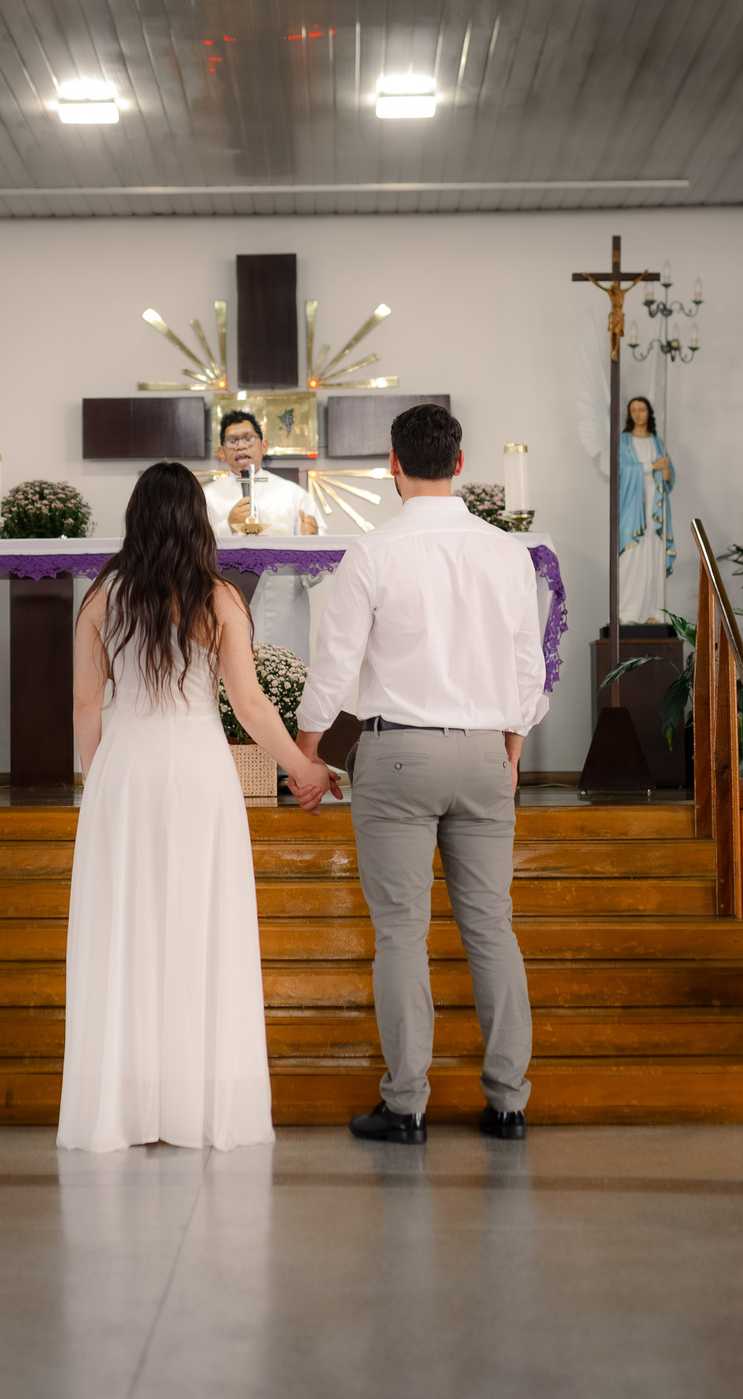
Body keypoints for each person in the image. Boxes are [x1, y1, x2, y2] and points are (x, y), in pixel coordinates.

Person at [58, 460, 334, 1152]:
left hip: (126, 770)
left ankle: (125, 1105)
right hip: (200, 774)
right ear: (197, 521)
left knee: (127, 930)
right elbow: (250, 704)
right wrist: (303, 766)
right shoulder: (218, 598)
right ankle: (201, 1103)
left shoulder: (102, 598)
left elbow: (86, 705)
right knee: (200, 927)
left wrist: (100, 781)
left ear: (136, 518)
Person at [294, 403, 547, 1145]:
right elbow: (528, 668)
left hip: (398, 754)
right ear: (460, 464)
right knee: (492, 928)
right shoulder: (507, 553)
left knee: (402, 934)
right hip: (484, 751)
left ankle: (406, 1107)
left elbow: (334, 666)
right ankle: (509, 1104)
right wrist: (512, 749)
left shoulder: (374, 552)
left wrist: (308, 755)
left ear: (393, 466)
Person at [202, 411, 320, 663]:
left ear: (264, 445)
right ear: (221, 452)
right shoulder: (205, 498)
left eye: (248, 438)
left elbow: (315, 572)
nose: (241, 446)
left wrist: (311, 540)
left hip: (285, 614)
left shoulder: (293, 495)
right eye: (232, 441)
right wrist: (226, 527)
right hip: (225, 613)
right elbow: (193, 552)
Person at [619, 395, 675, 625]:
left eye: (642, 409)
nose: (638, 414)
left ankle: (654, 612)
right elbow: (621, 470)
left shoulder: (657, 441)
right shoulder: (624, 441)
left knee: (654, 553)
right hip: (634, 507)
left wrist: (666, 472)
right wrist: (652, 465)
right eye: (634, 410)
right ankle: (628, 613)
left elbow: (668, 473)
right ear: (629, 414)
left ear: (648, 412)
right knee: (631, 555)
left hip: (656, 506)